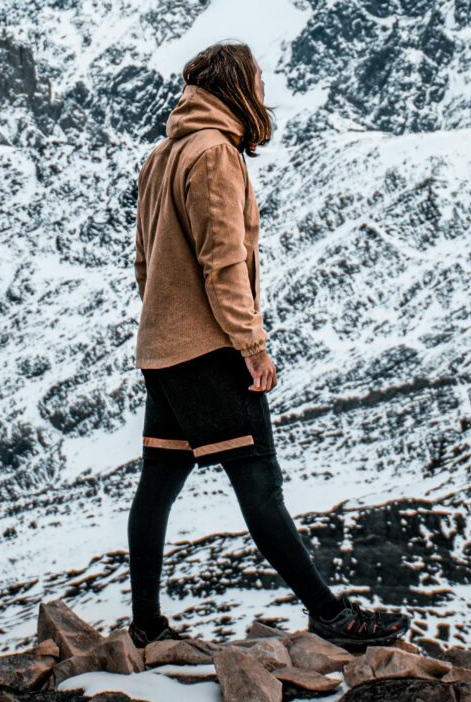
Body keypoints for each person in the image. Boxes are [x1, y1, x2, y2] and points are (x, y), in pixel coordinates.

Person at [126, 41, 409, 651]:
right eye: (255, 81)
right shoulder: (215, 155)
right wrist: (250, 344)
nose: (261, 92)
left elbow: (144, 262)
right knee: (259, 481)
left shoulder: (161, 156)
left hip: (161, 349)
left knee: (159, 481)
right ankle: (329, 615)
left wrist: (163, 324)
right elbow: (223, 262)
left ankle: (146, 625)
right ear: (236, 87)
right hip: (209, 350)